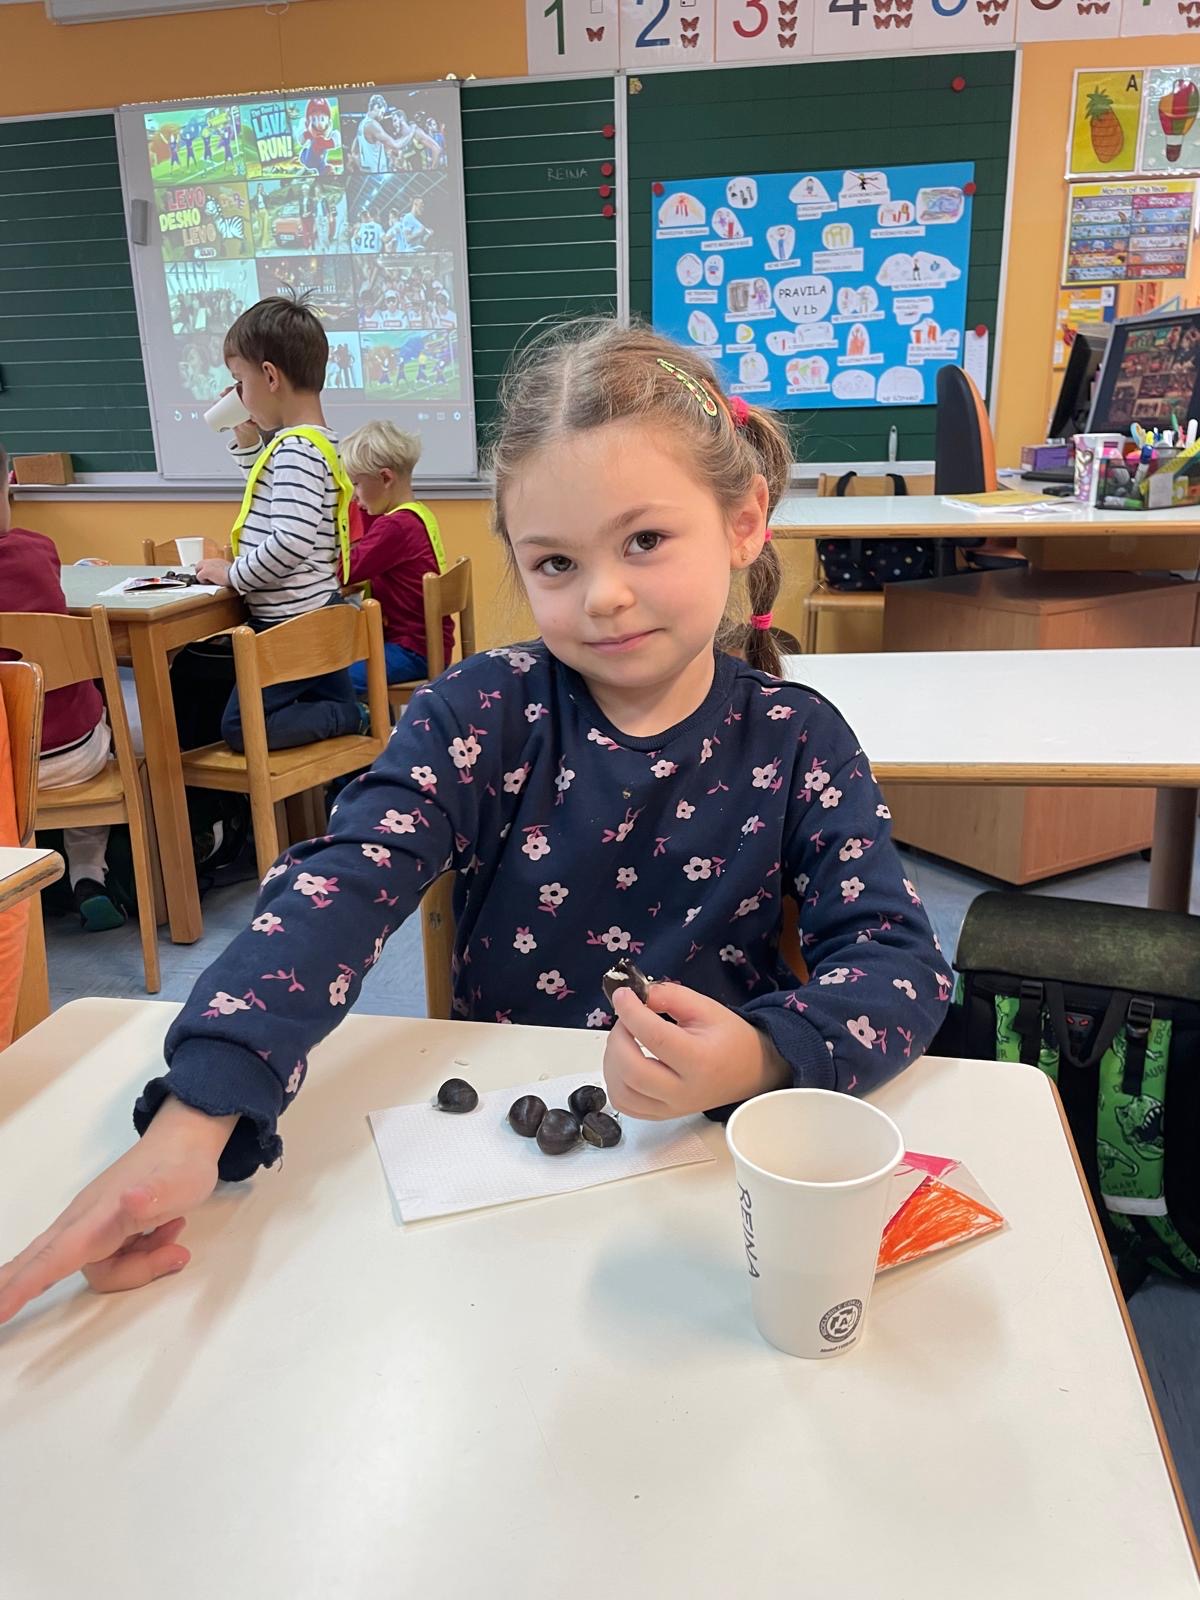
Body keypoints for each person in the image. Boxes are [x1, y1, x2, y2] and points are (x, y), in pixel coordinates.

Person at [0, 320, 948, 1322]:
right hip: (494, 1170)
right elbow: (341, 883)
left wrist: (762, 1054)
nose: (605, 596)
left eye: (646, 541)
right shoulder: (481, 710)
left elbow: (899, 962)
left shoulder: (799, 737)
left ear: (745, 520)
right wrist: (199, 1111)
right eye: (555, 563)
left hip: (713, 1180)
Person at [190, 294, 363, 752]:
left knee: (242, 726)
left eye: (239, 383)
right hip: (316, 610)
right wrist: (248, 443)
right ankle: (348, 722)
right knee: (322, 704)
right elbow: (275, 498)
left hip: (292, 621)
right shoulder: (313, 443)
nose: (237, 396)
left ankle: (352, 716)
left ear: (269, 376)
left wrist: (233, 574)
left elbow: (289, 540)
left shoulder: (295, 449)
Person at [0, 443, 124, 930]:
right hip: (69, 759)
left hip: (3, 769)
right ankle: (88, 872)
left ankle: (20, 877)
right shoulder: (37, 549)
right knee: (103, 727)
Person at [339, 420, 453, 691]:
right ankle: (372, 713)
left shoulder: (395, 527)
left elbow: (345, 572)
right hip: (426, 644)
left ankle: (364, 714)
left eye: (356, 484)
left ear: (386, 478)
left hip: (411, 651)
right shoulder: (415, 514)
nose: (354, 498)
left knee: (333, 682)